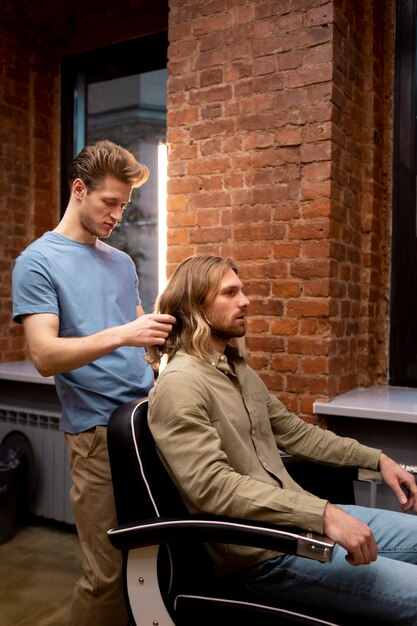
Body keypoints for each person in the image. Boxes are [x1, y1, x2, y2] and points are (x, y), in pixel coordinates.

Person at [147, 254, 417, 625]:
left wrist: (377, 459)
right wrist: (323, 514)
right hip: (266, 555)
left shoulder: (235, 370)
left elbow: (296, 433)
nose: (245, 301)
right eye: (230, 293)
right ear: (197, 308)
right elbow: (211, 488)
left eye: (242, 291)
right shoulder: (180, 385)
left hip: (302, 524)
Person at [12, 140, 175, 626]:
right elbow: (44, 355)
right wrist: (125, 333)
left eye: (124, 206)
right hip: (96, 434)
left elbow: (139, 330)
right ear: (79, 190)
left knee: (153, 562)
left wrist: (159, 341)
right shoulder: (38, 261)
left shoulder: (122, 263)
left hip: (147, 421)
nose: (118, 215)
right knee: (107, 575)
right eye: (110, 202)